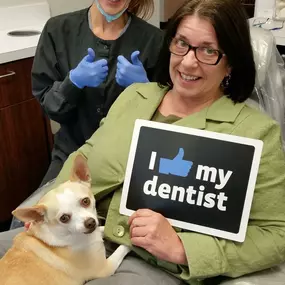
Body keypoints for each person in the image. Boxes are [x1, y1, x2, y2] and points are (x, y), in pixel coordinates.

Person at [2, 0, 285, 284]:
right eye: (181, 44)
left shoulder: (252, 132)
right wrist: (48, 207)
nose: (188, 61)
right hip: (72, 236)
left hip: (145, 260)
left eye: (209, 50)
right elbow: (87, 152)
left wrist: (184, 248)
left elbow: (276, 234)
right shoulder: (136, 96)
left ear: (231, 62)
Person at [32, 0, 164, 186]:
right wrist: (73, 83)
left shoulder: (154, 40)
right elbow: (51, 107)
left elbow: (167, 119)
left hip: (129, 160)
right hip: (71, 154)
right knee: (31, 214)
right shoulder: (58, 30)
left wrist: (146, 88)